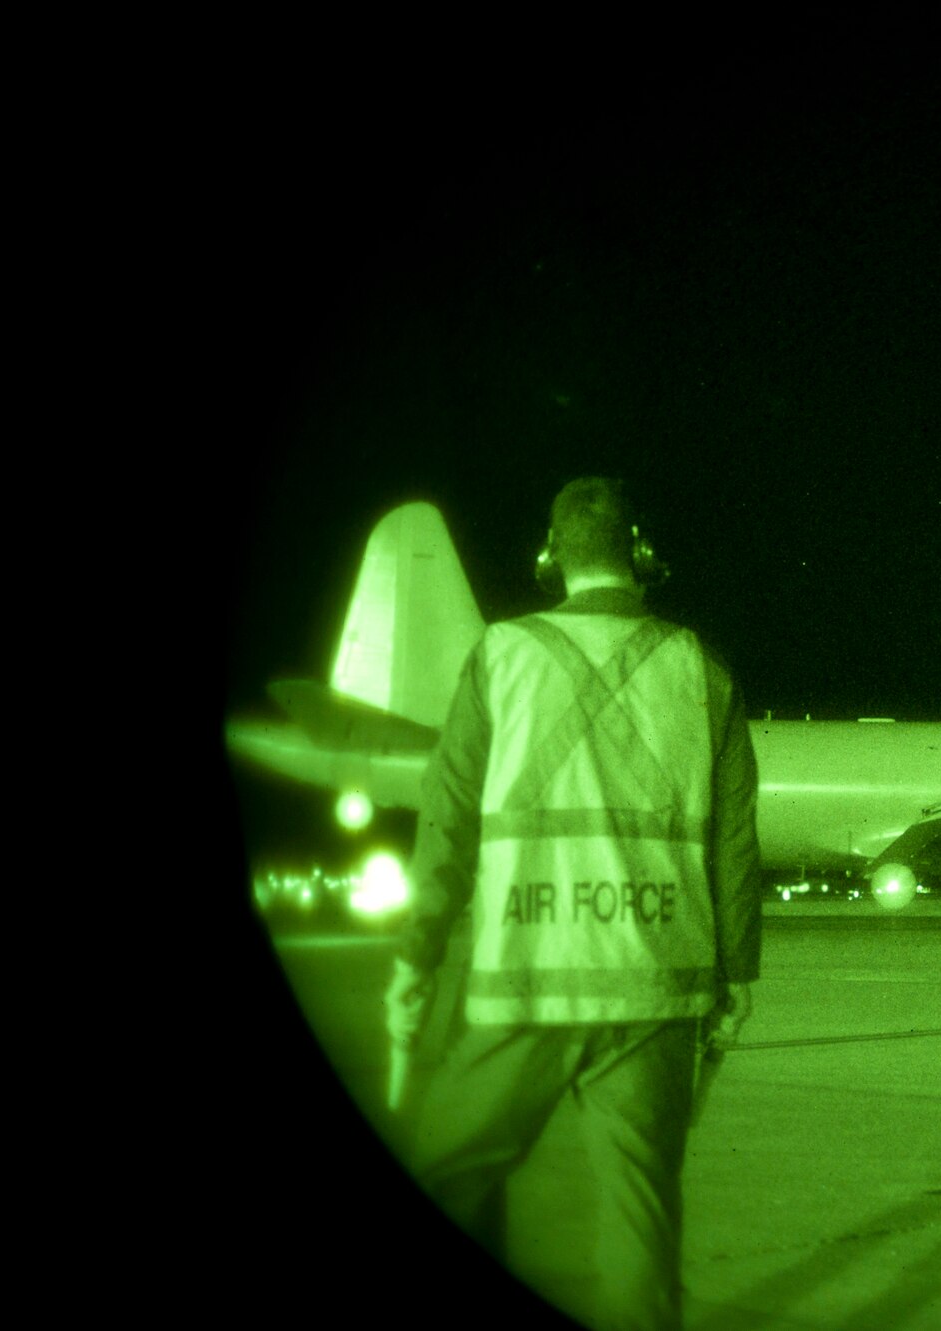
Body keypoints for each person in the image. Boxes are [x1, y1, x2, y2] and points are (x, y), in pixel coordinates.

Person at [384, 477, 763, 1331]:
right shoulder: (703, 667)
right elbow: (735, 845)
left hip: (524, 980)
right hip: (655, 991)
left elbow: (447, 826)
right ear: (640, 550)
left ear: (551, 556)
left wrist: (415, 959)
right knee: (641, 1216)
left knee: (448, 1176)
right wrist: (739, 977)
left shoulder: (501, 656)